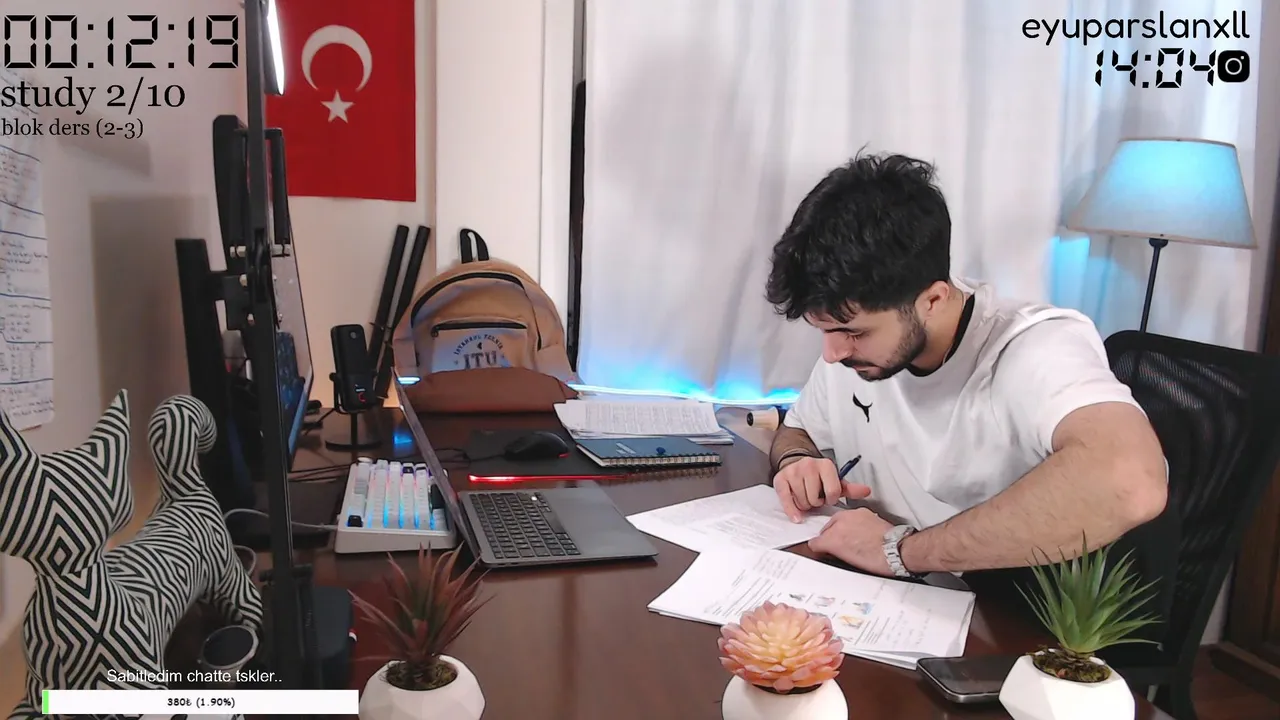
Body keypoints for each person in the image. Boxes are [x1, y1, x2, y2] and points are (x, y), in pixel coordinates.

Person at [764, 151, 1168, 579]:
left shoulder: (1034, 347)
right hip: (893, 592)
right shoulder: (854, 348)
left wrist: (900, 552)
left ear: (932, 299)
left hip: (995, 605)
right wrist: (796, 461)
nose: (832, 353)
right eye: (824, 330)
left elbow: (1129, 481)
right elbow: (798, 429)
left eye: (854, 332)